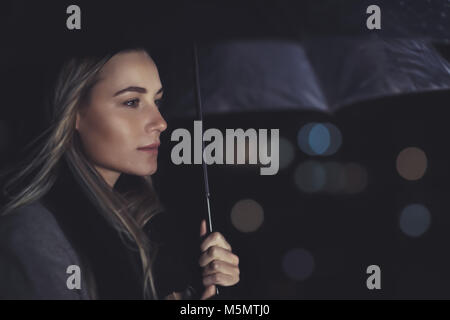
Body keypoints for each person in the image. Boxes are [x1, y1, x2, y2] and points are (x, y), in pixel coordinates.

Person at [0, 48, 240, 300]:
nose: (160, 122)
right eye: (131, 102)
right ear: (74, 113)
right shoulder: (36, 234)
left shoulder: (147, 225)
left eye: (156, 101)